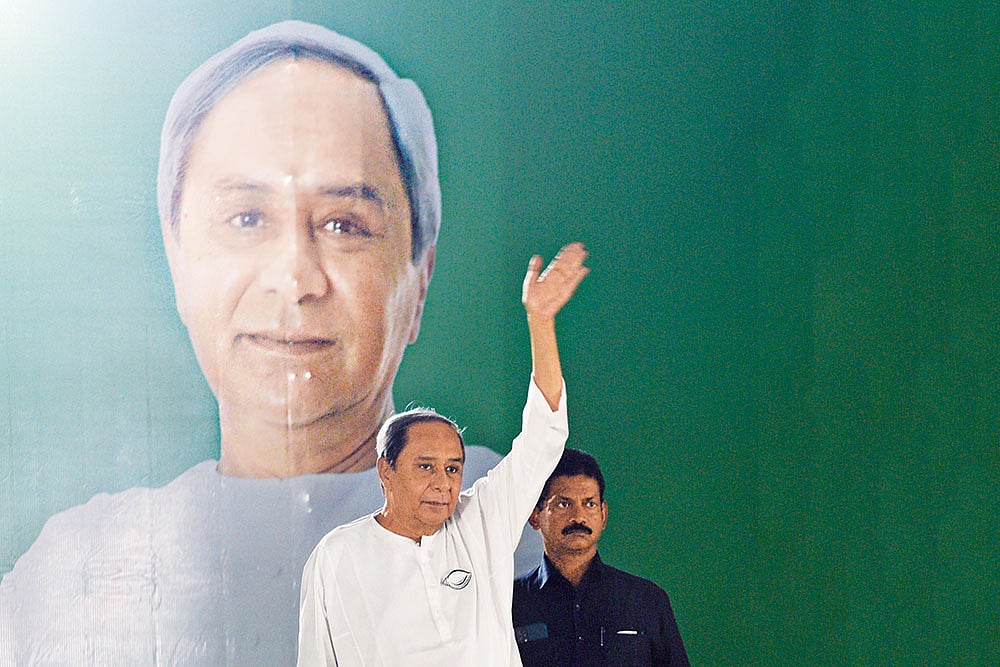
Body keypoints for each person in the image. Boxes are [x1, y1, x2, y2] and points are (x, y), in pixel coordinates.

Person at [0, 21, 542, 665]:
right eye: (246, 218)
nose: (294, 280)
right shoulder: (75, 575)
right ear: (178, 259)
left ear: (418, 278)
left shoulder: (511, 532)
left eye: (344, 223)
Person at [297, 243, 589, 666]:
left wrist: (540, 322)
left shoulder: (481, 521)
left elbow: (543, 437)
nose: (443, 482)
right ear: (386, 471)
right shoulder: (339, 555)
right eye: (425, 466)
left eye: (453, 468)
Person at [512, 448, 690, 666]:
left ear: (603, 515)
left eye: (590, 504)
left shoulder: (647, 601)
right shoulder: (509, 604)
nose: (578, 517)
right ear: (535, 516)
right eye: (563, 504)